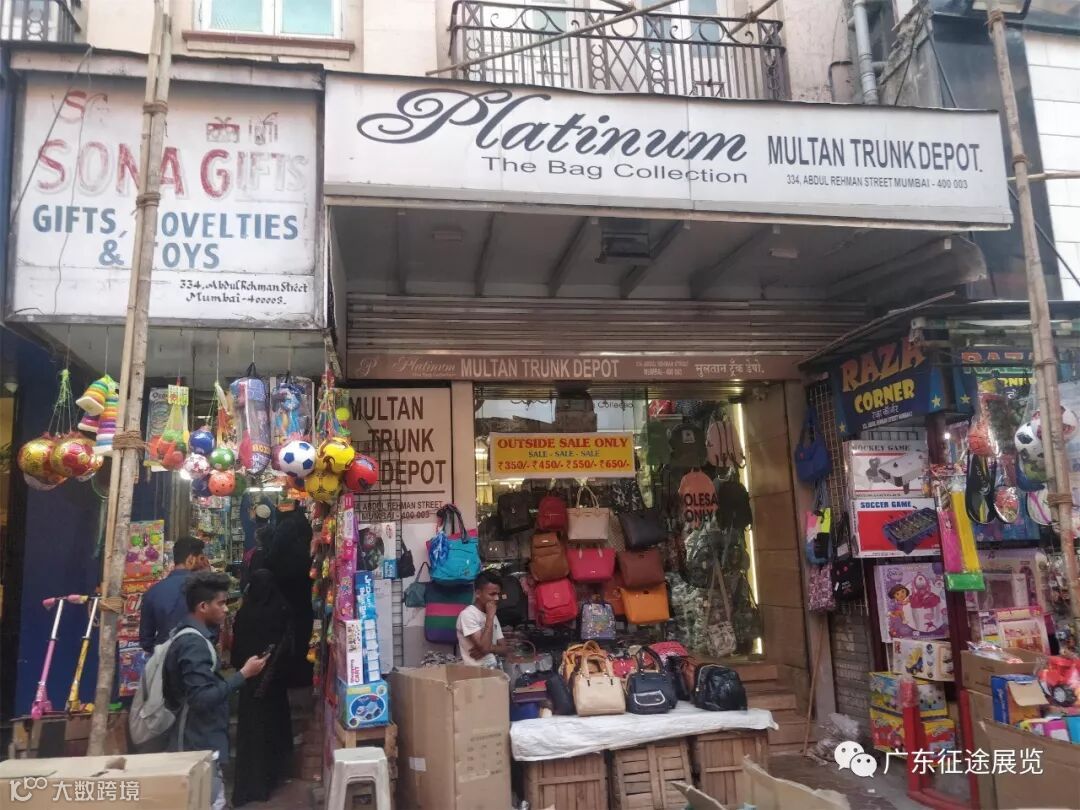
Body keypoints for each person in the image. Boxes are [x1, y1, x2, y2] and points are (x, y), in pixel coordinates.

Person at [164, 571, 269, 810]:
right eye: (220, 604)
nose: (225, 609)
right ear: (203, 606)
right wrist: (243, 674)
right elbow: (201, 698)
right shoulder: (194, 643)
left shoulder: (193, 636)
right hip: (198, 743)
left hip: (201, 739)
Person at [231, 570, 294, 806]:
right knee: (273, 730)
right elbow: (288, 647)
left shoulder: (244, 614)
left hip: (250, 683)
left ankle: (251, 785)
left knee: (252, 734)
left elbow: (236, 652)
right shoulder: (281, 610)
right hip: (274, 685)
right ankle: (273, 777)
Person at [266, 502, 315, 687]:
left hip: (286, 588)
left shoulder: (285, 528)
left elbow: (273, 556)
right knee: (305, 628)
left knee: (289, 629)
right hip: (306, 586)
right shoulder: (304, 526)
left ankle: (290, 672)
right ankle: (305, 671)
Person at [139, 537, 208, 653]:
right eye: (201, 559)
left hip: (165, 658)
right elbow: (213, 631)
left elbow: (146, 641)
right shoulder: (205, 589)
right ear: (191, 559)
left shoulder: (153, 592)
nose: (203, 563)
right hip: (199, 655)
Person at [456, 571, 513, 667]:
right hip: (475, 673)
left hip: (494, 670)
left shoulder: (493, 615)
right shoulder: (468, 615)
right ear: (478, 593)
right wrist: (489, 617)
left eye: (498, 594)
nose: (496, 598)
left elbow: (504, 649)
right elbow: (484, 648)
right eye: (492, 594)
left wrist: (489, 648)